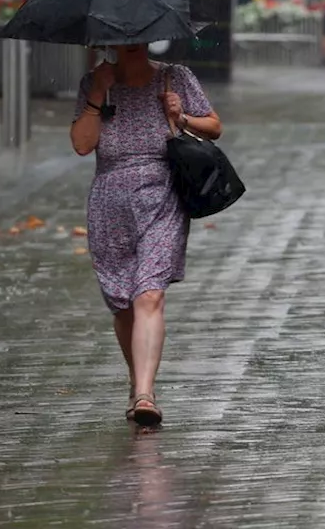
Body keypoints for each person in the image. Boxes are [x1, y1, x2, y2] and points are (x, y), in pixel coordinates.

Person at [70, 44, 223, 427]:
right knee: (123, 303)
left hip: (163, 197)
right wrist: (96, 95)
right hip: (110, 203)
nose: (130, 46)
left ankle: (144, 393)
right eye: (121, 39)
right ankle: (137, 380)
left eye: (137, 38)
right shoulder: (95, 82)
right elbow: (82, 144)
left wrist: (180, 115)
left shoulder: (176, 76)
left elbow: (214, 127)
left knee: (149, 293)